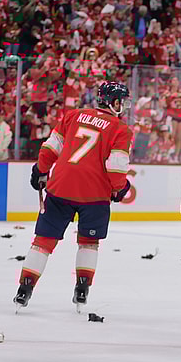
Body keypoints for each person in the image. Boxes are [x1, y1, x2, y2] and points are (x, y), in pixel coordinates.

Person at [14, 82, 133, 312]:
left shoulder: (73, 115)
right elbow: (116, 169)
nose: (124, 106)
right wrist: (120, 188)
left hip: (61, 188)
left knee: (43, 241)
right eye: (122, 101)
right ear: (113, 102)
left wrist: (40, 169)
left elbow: (51, 148)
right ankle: (82, 289)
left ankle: (24, 289)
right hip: (94, 195)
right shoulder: (120, 128)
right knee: (89, 242)